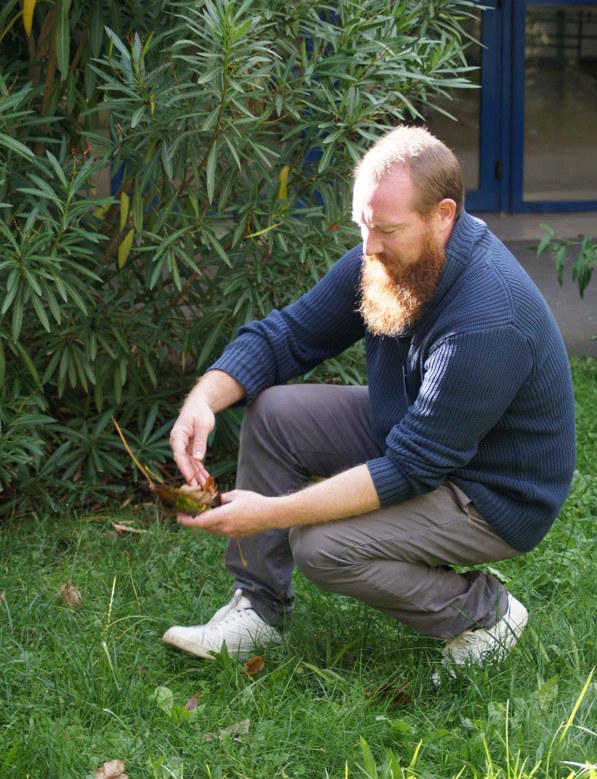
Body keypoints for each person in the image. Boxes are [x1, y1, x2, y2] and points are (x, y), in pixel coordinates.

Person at [164, 126, 576, 670]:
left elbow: (411, 468)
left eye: (386, 229)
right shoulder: (389, 258)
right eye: (362, 224)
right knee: (275, 414)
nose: (368, 246)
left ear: (443, 216)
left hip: (491, 493)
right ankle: (258, 610)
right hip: (415, 434)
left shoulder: (489, 317)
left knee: (322, 546)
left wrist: (270, 514)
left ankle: (484, 614)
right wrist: (203, 400)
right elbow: (288, 335)